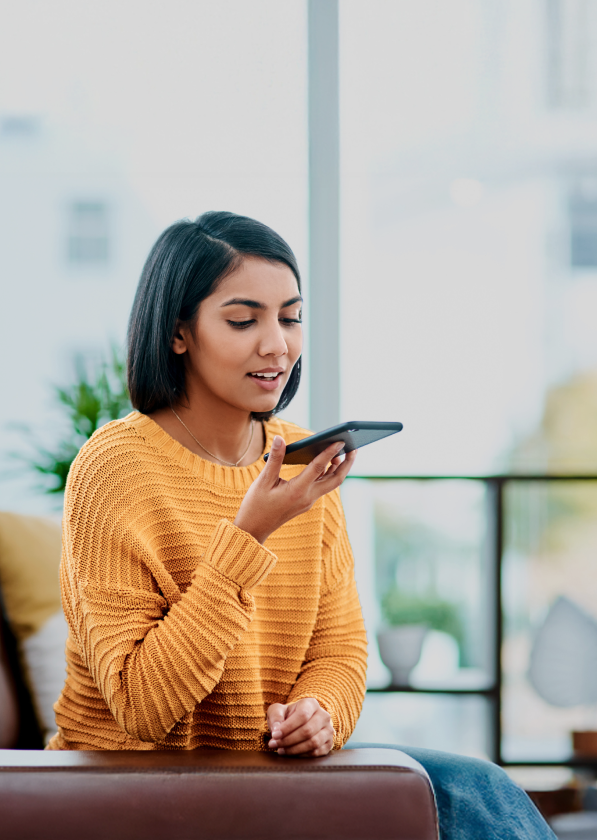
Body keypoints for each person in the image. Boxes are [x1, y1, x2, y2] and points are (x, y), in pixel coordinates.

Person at [47, 211, 556, 839]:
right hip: (139, 790)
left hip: (271, 779)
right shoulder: (115, 467)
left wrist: (321, 712)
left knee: (474, 788)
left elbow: (340, 647)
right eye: (243, 320)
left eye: (289, 317)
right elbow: (143, 706)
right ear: (179, 333)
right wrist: (249, 535)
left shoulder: (297, 457)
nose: (277, 345)